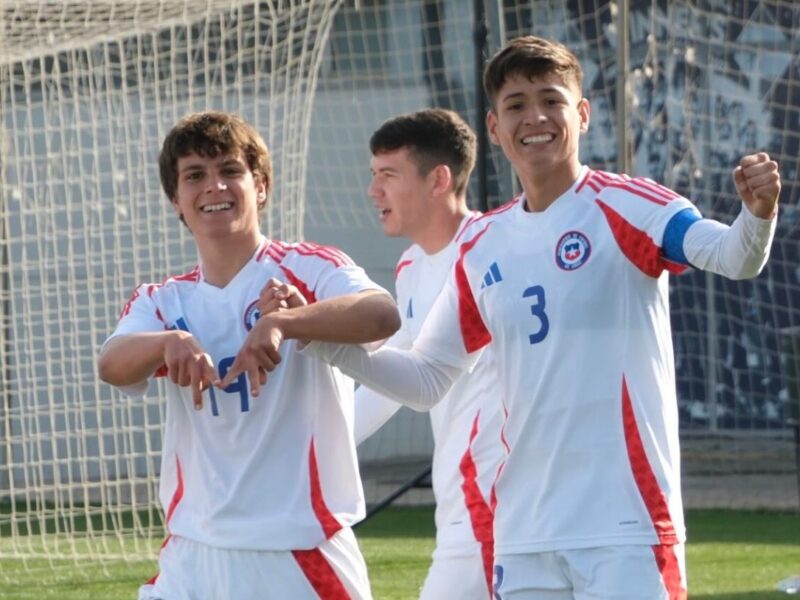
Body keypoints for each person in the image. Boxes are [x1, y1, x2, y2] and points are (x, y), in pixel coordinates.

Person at [300, 36, 781, 599]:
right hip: (523, 534)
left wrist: (758, 216)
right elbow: (428, 378)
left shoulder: (629, 205)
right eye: (516, 105)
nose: (536, 117)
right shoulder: (481, 244)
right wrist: (318, 339)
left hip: (624, 527)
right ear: (496, 127)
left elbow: (732, 257)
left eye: (551, 100)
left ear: (581, 114)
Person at [97, 110, 399, 600]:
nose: (214, 187)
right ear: (176, 198)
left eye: (230, 171)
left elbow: (381, 315)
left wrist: (285, 322)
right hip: (193, 551)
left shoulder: (308, 267)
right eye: (195, 176)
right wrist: (166, 342)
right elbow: (112, 365)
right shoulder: (161, 300)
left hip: (297, 551)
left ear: (259, 186)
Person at [352, 108, 504, 598]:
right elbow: (397, 375)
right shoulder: (412, 265)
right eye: (374, 175)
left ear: (439, 179)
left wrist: (319, 338)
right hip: (460, 509)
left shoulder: (495, 250)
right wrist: (311, 443)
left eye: (388, 176)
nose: (374, 191)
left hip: (501, 509)